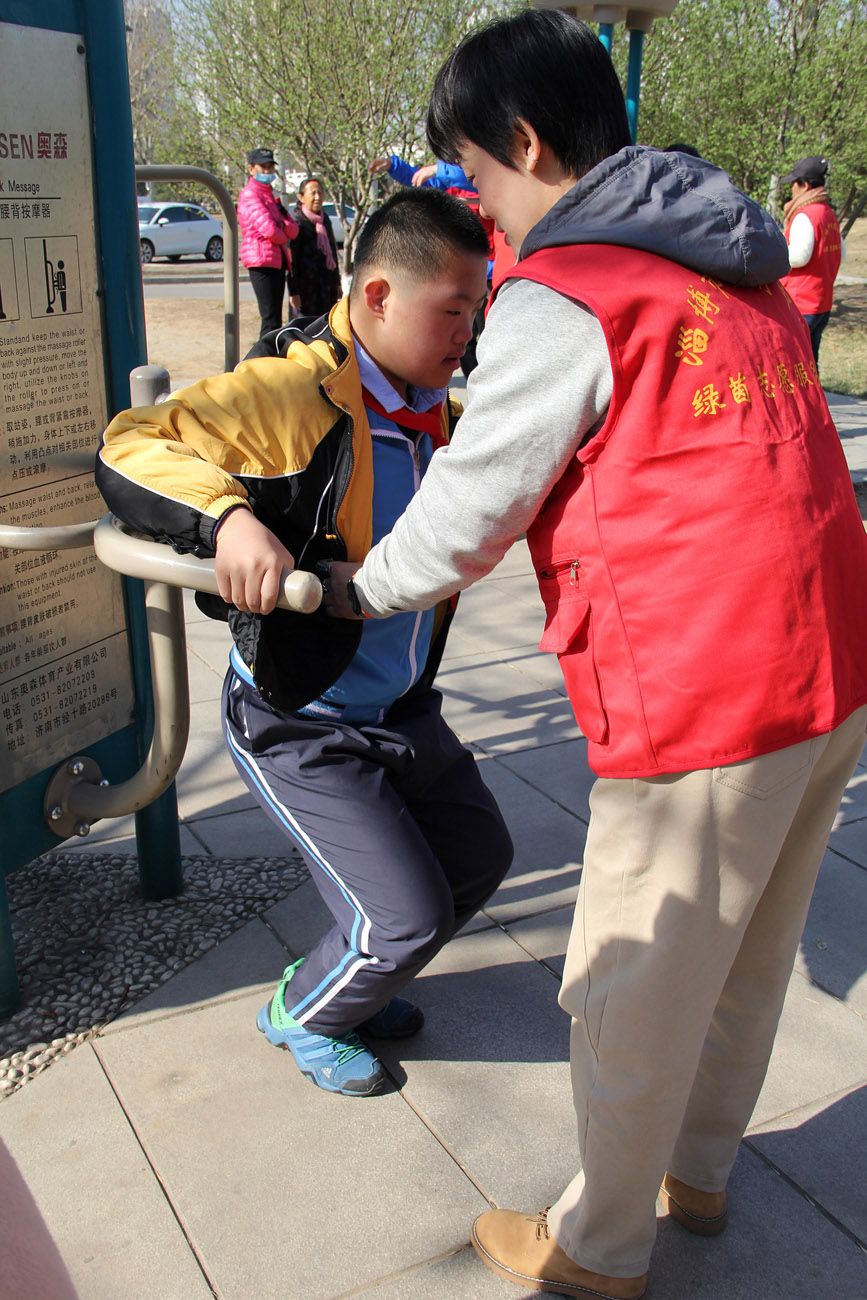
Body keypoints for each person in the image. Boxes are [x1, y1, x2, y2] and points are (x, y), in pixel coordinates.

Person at [321, 11, 867, 1297]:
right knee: (746, 953)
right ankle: (701, 1169)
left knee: (631, 979)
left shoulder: (573, 290)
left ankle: (598, 1248)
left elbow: (467, 509)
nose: (481, 209)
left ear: (522, 140)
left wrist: (358, 590)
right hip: (831, 664)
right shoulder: (732, 263)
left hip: (703, 693)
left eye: (477, 172)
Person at [95, 187, 511, 1100]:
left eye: (474, 313)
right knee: (399, 921)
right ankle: (304, 1010)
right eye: (452, 312)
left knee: (477, 859)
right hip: (301, 716)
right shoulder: (293, 383)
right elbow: (132, 442)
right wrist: (228, 521)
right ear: (375, 300)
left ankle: (356, 984)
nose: (465, 335)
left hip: (400, 703)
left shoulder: (424, 397)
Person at [780, 154, 844, 363]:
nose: (791, 189)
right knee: (810, 361)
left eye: (794, 184)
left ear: (804, 185)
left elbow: (799, 256)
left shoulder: (805, 214)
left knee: (794, 363)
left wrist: (773, 252)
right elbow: (840, 253)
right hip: (821, 302)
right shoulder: (828, 214)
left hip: (801, 302)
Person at [237, 147, 299, 338]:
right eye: (263, 166)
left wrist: (281, 226)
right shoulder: (250, 195)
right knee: (270, 319)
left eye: (270, 166)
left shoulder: (272, 196)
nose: (267, 171)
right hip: (261, 262)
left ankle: (271, 358)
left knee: (275, 320)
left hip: (277, 261)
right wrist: (281, 228)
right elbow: (271, 230)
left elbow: (292, 230)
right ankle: (262, 362)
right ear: (250, 168)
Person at [288, 177, 342, 318]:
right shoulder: (297, 223)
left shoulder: (325, 221)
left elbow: (333, 254)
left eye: (320, 193)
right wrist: (294, 292)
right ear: (301, 197)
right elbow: (292, 262)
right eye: (312, 193)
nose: (317, 197)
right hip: (306, 292)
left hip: (326, 289)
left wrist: (337, 283)